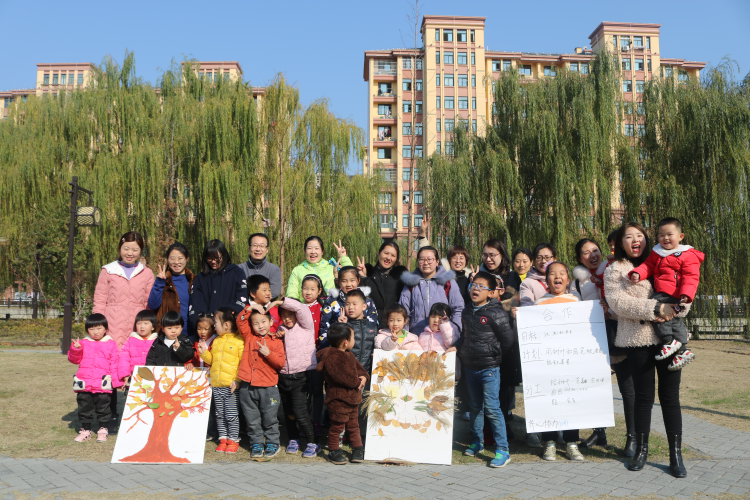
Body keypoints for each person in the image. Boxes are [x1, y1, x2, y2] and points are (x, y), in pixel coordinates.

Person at [604, 222, 689, 478]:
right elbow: (618, 302)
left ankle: (676, 455)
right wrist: (655, 309)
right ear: (620, 243)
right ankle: (641, 451)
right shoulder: (615, 269)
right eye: (628, 237)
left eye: (639, 236)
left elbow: (688, 287)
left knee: (670, 397)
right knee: (643, 397)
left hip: (670, 338)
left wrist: (674, 310)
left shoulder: (667, 257)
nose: (635, 240)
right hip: (637, 339)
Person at [572, 237, 636, 457]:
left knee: (627, 388)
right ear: (579, 258)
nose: (592, 255)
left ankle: (632, 437)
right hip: (593, 339)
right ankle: (599, 432)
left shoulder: (614, 271)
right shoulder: (577, 282)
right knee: (595, 387)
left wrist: (611, 310)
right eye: (586, 252)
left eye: (595, 250)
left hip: (619, 334)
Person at [93, 231, 154, 431]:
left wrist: (148, 326)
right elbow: (99, 300)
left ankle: (137, 414)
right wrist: (98, 326)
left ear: (141, 251)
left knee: (136, 367)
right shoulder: (108, 271)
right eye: (126, 248)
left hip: (137, 328)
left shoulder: (146, 273)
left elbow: (149, 303)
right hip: (111, 326)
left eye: (135, 249)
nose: (130, 253)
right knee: (110, 369)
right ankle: (110, 416)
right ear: (120, 248)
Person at [454, 271, 514, 468]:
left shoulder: (496, 313)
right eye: (473, 285)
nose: (476, 289)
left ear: (491, 293)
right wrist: (456, 346)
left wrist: (493, 354)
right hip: (470, 368)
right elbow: (465, 336)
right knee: (475, 407)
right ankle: (477, 442)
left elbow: (508, 340)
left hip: (489, 369)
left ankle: (503, 450)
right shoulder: (466, 311)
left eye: (481, 286)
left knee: (492, 408)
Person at [629, 217, 703, 371]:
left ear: (681, 236)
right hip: (664, 291)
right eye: (661, 235)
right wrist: (638, 273)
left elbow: (691, 276)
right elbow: (648, 266)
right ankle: (682, 351)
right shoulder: (657, 253)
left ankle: (668, 341)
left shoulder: (687, 254)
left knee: (656, 309)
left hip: (674, 292)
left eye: (670, 234)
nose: (665, 238)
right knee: (675, 321)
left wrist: (686, 294)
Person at [530, 262, 585, 461]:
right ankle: (549, 442)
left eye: (562, 273)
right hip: (547, 363)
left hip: (571, 362)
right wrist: (520, 317)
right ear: (546, 280)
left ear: (568, 279)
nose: (557, 277)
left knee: (570, 400)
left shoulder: (576, 301)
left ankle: (571, 442)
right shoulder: (538, 304)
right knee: (549, 401)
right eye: (552, 274)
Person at [236, 303, 285, 460]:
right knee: (252, 419)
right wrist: (251, 307)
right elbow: (240, 321)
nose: (260, 326)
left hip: (269, 387)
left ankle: (272, 442)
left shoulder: (276, 341)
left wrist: (268, 353)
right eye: (255, 323)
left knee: (270, 418)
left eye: (263, 322)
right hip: (248, 386)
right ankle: (256, 443)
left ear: (271, 322)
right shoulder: (249, 337)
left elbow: (281, 363)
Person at [316, 323, 369, 465]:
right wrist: (357, 382)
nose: (354, 341)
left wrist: (364, 377)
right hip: (338, 399)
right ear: (346, 342)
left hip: (353, 399)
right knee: (337, 427)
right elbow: (342, 377)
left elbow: (360, 370)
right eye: (353, 338)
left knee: (354, 425)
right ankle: (333, 450)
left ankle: (358, 448)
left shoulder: (349, 354)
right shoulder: (332, 357)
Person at [275, 297, 320, 459]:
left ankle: (313, 442)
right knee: (289, 412)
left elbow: (301, 308)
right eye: (283, 315)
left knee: (301, 412)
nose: (287, 319)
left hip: (301, 375)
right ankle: (293, 439)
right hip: (283, 376)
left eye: (290, 315)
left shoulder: (306, 326)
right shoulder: (280, 330)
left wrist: (280, 301)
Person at [197, 307, 245, 454]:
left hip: (231, 386)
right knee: (219, 414)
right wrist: (204, 353)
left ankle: (233, 439)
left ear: (226, 325)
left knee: (231, 414)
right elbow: (212, 360)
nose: (214, 325)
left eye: (216, 322)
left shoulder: (239, 341)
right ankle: (223, 439)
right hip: (217, 384)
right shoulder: (216, 341)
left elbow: (242, 363)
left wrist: (237, 380)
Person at [69, 313, 121, 443]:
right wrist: (76, 349)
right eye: (91, 329)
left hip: (102, 384)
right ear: (87, 330)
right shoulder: (83, 343)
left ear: (105, 329)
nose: (95, 332)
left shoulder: (111, 344)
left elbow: (114, 363)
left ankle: (103, 430)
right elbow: (74, 360)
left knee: (103, 408)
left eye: (99, 328)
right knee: (84, 408)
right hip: (85, 383)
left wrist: (116, 382)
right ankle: (85, 431)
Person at [399, 246, 464, 335]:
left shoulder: (448, 282)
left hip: (443, 337)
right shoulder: (410, 283)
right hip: (417, 336)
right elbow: (403, 311)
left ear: (437, 262)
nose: (426, 263)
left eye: (430, 259)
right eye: (422, 259)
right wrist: (404, 335)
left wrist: (455, 331)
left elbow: (458, 309)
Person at [189, 239, 247, 332]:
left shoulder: (237, 272)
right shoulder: (200, 278)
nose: (213, 261)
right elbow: (196, 303)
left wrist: (224, 317)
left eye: (217, 258)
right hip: (207, 329)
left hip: (231, 328)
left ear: (224, 255)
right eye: (209, 258)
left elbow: (242, 297)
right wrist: (205, 321)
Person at [319, 266, 379, 344]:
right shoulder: (332, 300)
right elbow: (325, 325)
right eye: (344, 281)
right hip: (338, 344)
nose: (348, 284)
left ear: (358, 280)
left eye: (352, 280)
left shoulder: (367, 300)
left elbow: (373, 325)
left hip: (363, 345)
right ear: (339, 282)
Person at [299, 274, 326, 439]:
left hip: (317, 354)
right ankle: (304, 421)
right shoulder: (298, 308)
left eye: (312, 289)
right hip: (300, 355)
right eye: (305, 288)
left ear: (319, 291)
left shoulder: (322, 308)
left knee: (316, 389)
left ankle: (316, 420)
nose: (308, 292)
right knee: (303, 390)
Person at [148, 242, 193, 338]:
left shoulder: (193, 281)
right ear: (167, 260)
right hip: (167, 336)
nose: (176, 262)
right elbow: (153, 305)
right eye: (172, 258)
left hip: (190, 334)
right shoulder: (163, 281)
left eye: (180, 258)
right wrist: (159, 282)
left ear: (187, 259)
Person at [286, 237, 353, 300]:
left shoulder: (331, 268)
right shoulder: (297, 270)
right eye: (309, 248)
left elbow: (351, 275)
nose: (313, 252)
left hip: (330, 307)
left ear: (322, 252)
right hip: (304, 307)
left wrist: (343, 257)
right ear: (305, 251)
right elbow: (291, 294)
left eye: (316, 248)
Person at [357, 242, 407, 326]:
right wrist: (363, 278)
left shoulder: (400, 279)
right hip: (369, 325)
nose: (388, 258)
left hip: (392, 326)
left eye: (393, 255)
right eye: (386, 253)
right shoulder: (368, 274)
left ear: (396, 259)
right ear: (379, 253)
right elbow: (358, 297)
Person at [117, 310, 158, 386]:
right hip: (133, 377)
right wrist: (125, 374)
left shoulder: (157, 341)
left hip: (152, 377)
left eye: (146, 323)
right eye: (139, 323)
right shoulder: (131, 340)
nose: (142, 326)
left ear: (153, 327)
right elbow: (123, 357)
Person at [342, 289, 378, 376]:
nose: (350, 307)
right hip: (347, 373)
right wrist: (341, 326)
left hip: (366, 373)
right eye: (347, 304)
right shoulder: (344, 326)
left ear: (364, 306)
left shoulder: (373, 327)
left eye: (354, 304)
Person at [238, 233, 283, 299]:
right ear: (249, 248)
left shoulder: (274, 269)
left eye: (262, 246)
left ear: (267, 249)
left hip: (268, 305)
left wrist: (255, 298)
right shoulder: (239, 269)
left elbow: (275, 292)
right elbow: (237, 290)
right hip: (244, 304)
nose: (258, 249)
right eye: (255, 245)